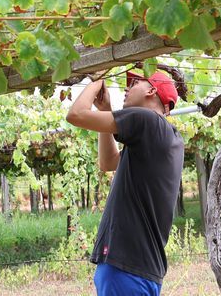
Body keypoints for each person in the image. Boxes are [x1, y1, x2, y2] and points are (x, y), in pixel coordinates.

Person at [66, 69, 185, 296]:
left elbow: (76, 115)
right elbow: (108, 162)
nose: (126, 89)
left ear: (151, 90)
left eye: (135, 83)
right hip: (138, 268)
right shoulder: (165, 136)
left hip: (126, 267)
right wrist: (104, 110)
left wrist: (96, 79)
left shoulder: (148, 120)